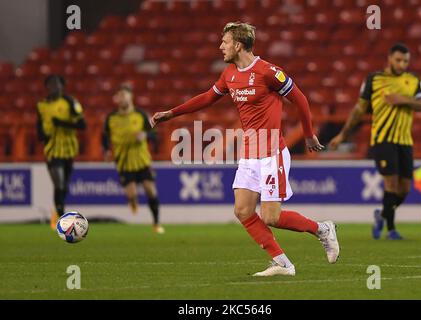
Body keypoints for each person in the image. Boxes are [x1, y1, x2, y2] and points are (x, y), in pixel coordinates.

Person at [151, 22, 339, 276]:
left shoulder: (268, 72)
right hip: (250, 153)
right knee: (242, 210)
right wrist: (172, 113)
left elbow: (301, 99)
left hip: (272, 152)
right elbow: (207, 97)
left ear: (238, 45)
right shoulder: (229, 74)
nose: (221, 46)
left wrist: (307, 134)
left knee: (271, 216)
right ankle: (282, 263)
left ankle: (322, 229)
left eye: (225, 42)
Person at [329, 43, 421, 240]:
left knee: (405, 189)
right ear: (390, 59)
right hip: (383, 140)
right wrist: (343, 134)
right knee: (390, 184)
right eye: (398, 60)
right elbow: (359, 109)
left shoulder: (413, 81)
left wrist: (402, 99)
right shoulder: (374, 80)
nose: (402, 64)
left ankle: (381, 214)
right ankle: (391, 229)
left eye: (406, 61)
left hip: (405, 141)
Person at [103, 84, 164, 234]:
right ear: (117, 99)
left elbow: (154, 135)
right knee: (131, 195)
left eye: (125, 95)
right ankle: (132, 201)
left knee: (150, 190)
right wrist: (106, 150)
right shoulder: (111, 118)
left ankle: (156, 223)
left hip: (142, 160)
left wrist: (146, 135)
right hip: (123, 161)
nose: (122, 98)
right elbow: (104, 136)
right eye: (120, 95)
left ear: (131, 97)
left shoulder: (141, 115)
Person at [36, 74, 87, 230]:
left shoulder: (70, 102)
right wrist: (41, 135)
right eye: (51, 84)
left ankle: (57, 212)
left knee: (63, 185)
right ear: (47, 87)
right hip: (52, 149)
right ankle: (60, 216)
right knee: (59, 183)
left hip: (68, 148)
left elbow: (82, 125)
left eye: (57, 83)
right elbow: (39, 123)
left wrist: (62, 123)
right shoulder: (41, 105)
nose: (54, 87)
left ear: (62, 85)